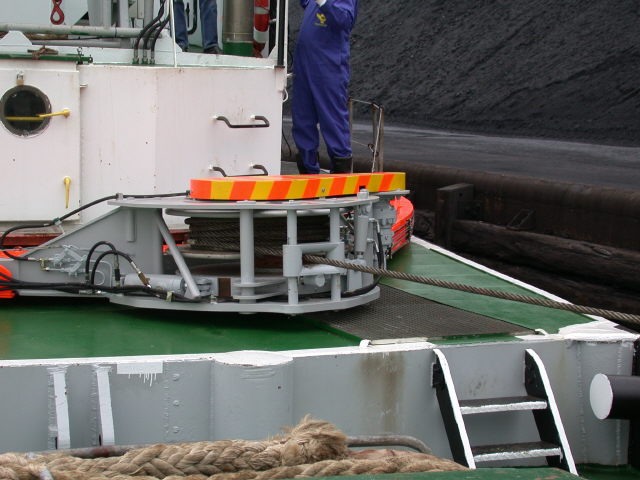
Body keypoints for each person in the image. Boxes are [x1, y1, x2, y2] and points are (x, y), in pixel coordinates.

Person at [291, 0, 358, 174]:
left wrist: (324, 2)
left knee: (332, 118)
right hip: (304, 63)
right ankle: (308, 175)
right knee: (302, 119)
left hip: (328, 65)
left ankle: (341, 178)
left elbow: (344, 20)